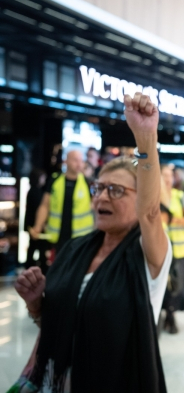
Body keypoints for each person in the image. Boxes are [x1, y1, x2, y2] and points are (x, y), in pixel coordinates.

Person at [12, 93, 170, 392]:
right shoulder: (75, 249)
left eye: (116, 190)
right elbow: (58, 325)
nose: (101, 197)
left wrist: (146, 137)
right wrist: (36, 304)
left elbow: (150, 214)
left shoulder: (147, 254)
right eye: (98, 188)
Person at [30, 149, 94, 254]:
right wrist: (38, 226)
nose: (79, 164)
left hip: (81, 238)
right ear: (66, 161)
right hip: (58, 238)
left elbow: (96, 207)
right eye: (75, 160)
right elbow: (45, 206)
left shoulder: (87, 183)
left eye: (81, 161)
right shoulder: (55, 181)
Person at [161, 164, 184, 333]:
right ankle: (168, 316)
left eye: (170, 175)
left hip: (179, 249)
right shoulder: (154, 197)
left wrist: (171, 219)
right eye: (164, 175)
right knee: (163, 285)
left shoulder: (179, 196)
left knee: (177, 286)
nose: (168, 179)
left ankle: (171, 315)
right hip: (160, 249)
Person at [24, 168, 49, 273]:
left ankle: (31, 266)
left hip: (32, 224)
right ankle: (39, 267)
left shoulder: (33, 191)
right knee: (38, 247)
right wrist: (39, 224)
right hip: (35, 224)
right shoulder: (35, 192)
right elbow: (37, 209)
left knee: (34, 246)